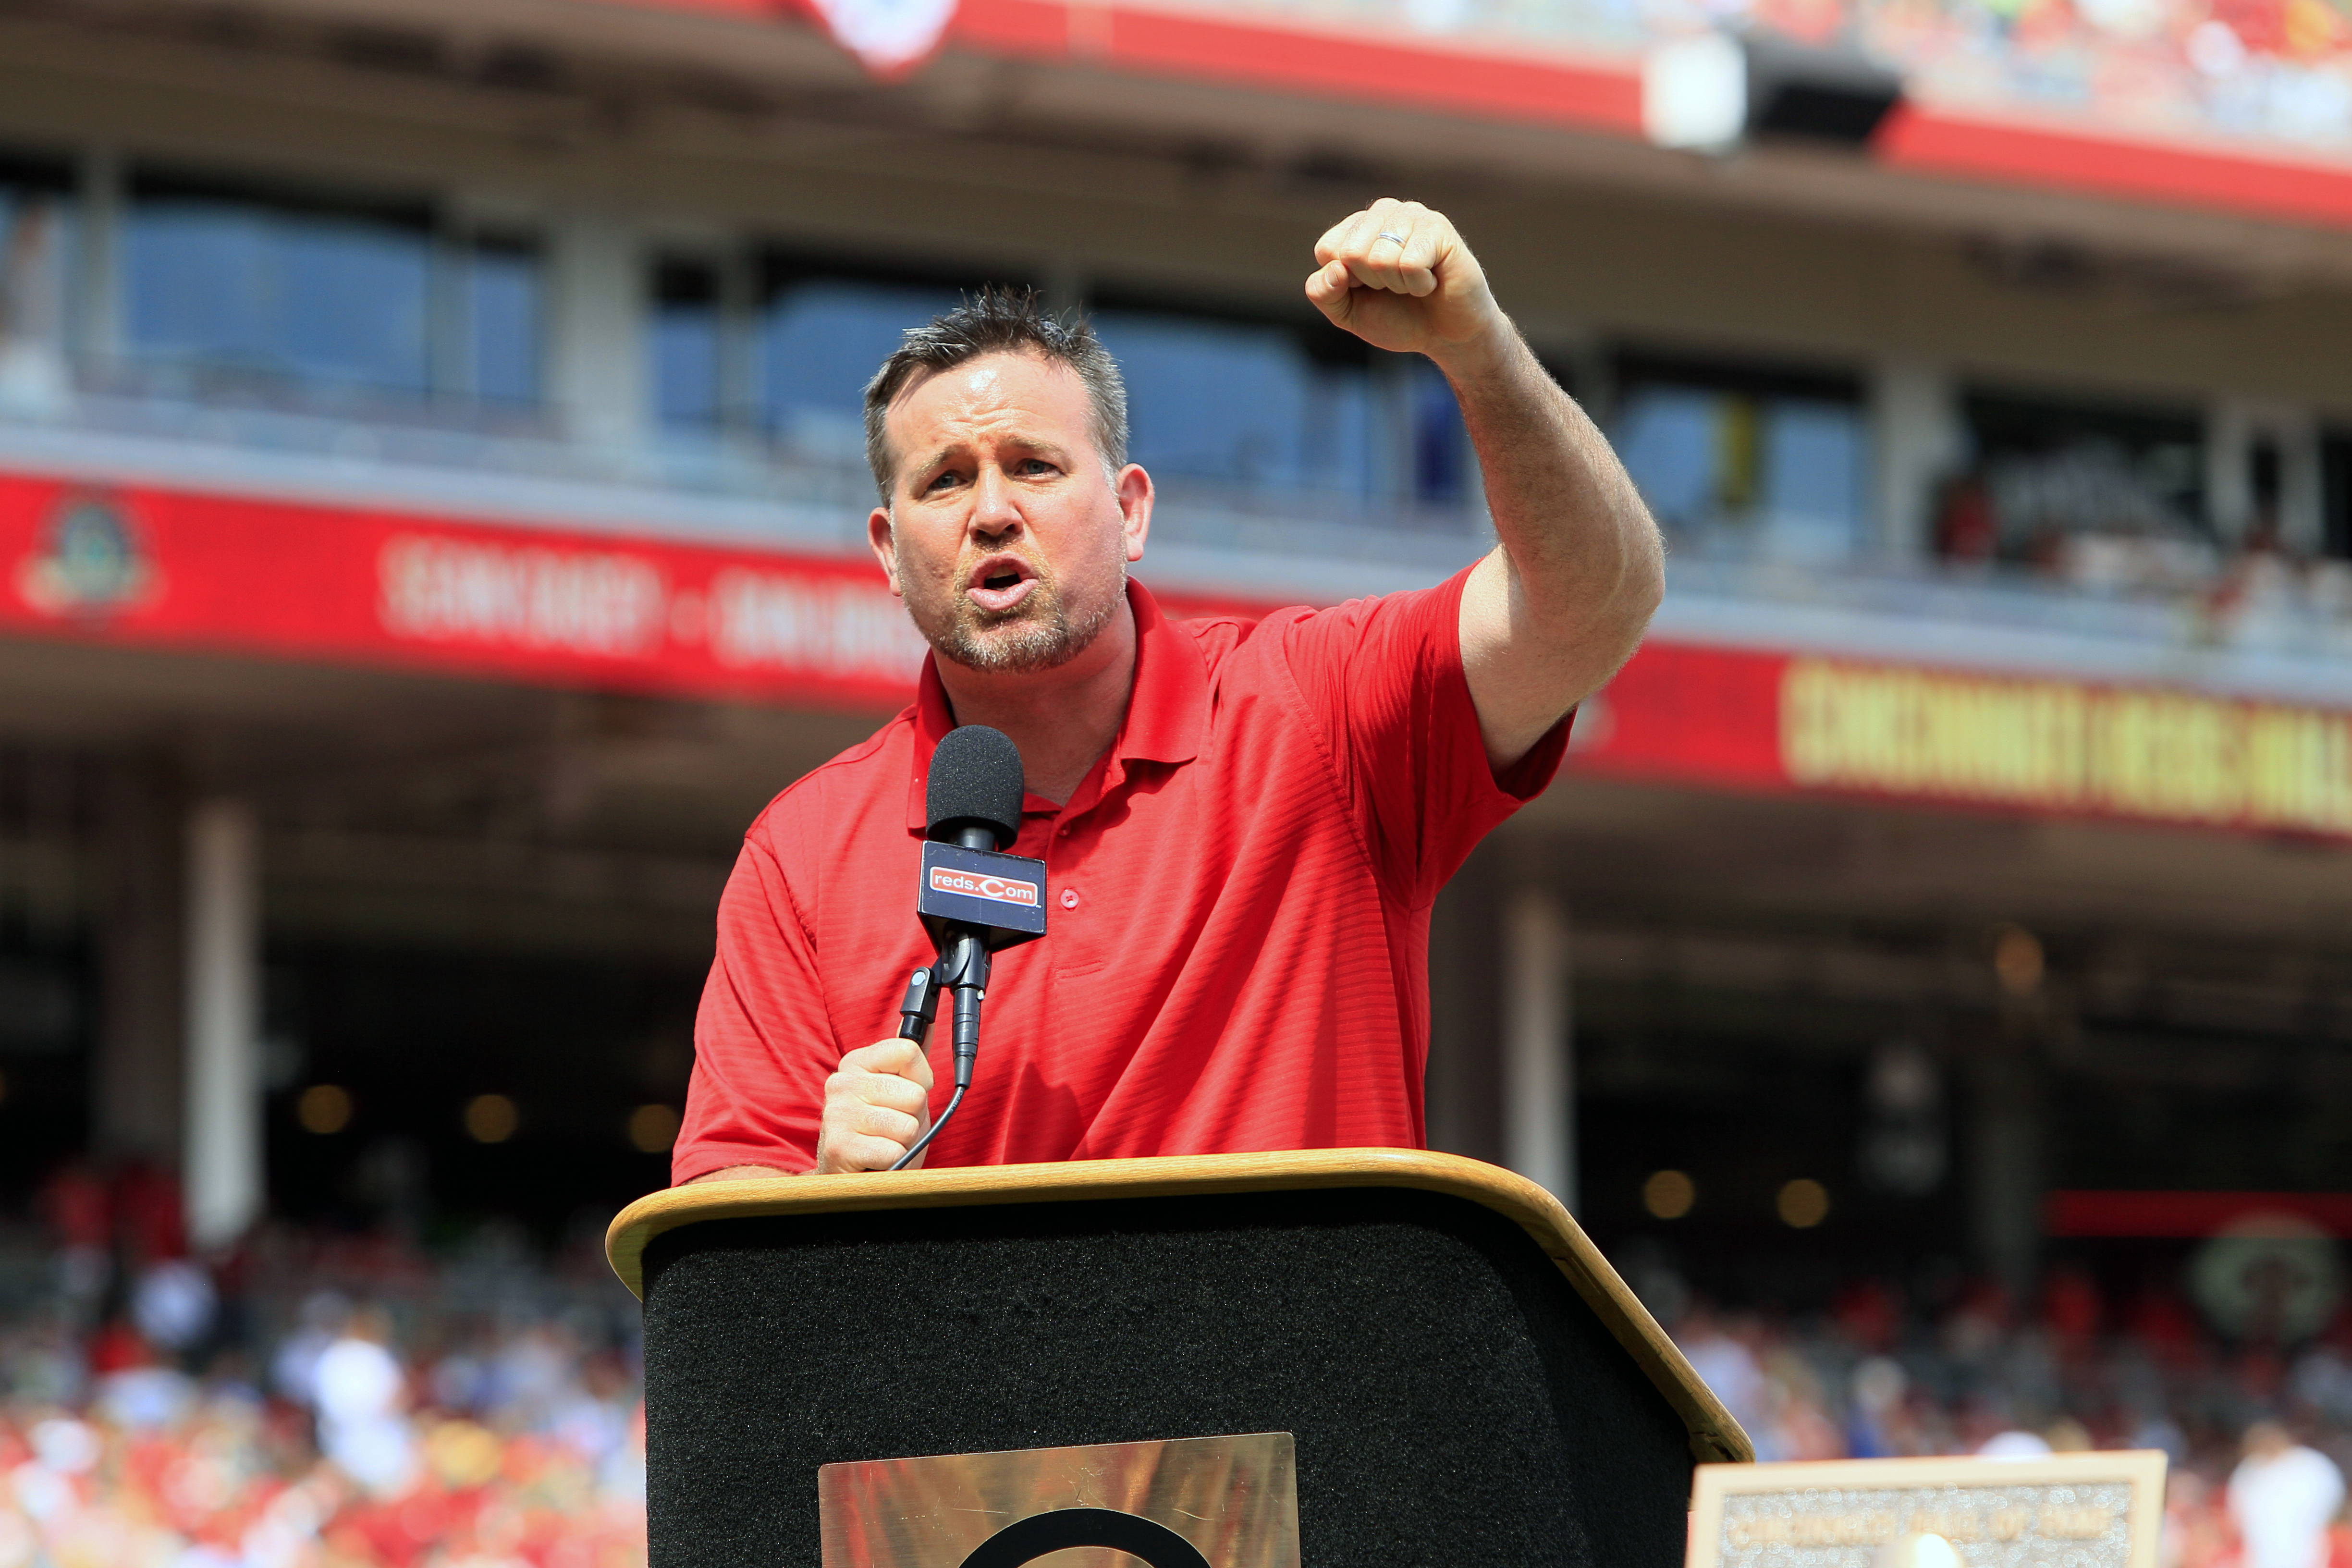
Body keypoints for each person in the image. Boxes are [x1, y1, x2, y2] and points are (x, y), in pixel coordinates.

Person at [673, 199, 1663, 1178]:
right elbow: (717, 1241)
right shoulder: (799, 858)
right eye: (943, 481)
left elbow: (1593, 604)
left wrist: (1480, 352)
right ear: (888, 553)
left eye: (1035, 465)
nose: (992, 511)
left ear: (1131, 511)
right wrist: (820, 1195)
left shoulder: (1322, 712)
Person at [2227, 1419, 2343, 1568]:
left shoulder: (2311, 1465)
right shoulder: (2249, 1471)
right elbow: (2238, 1517)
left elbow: (2333, 1506)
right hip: (2260, 1556)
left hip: (2309, 1553)